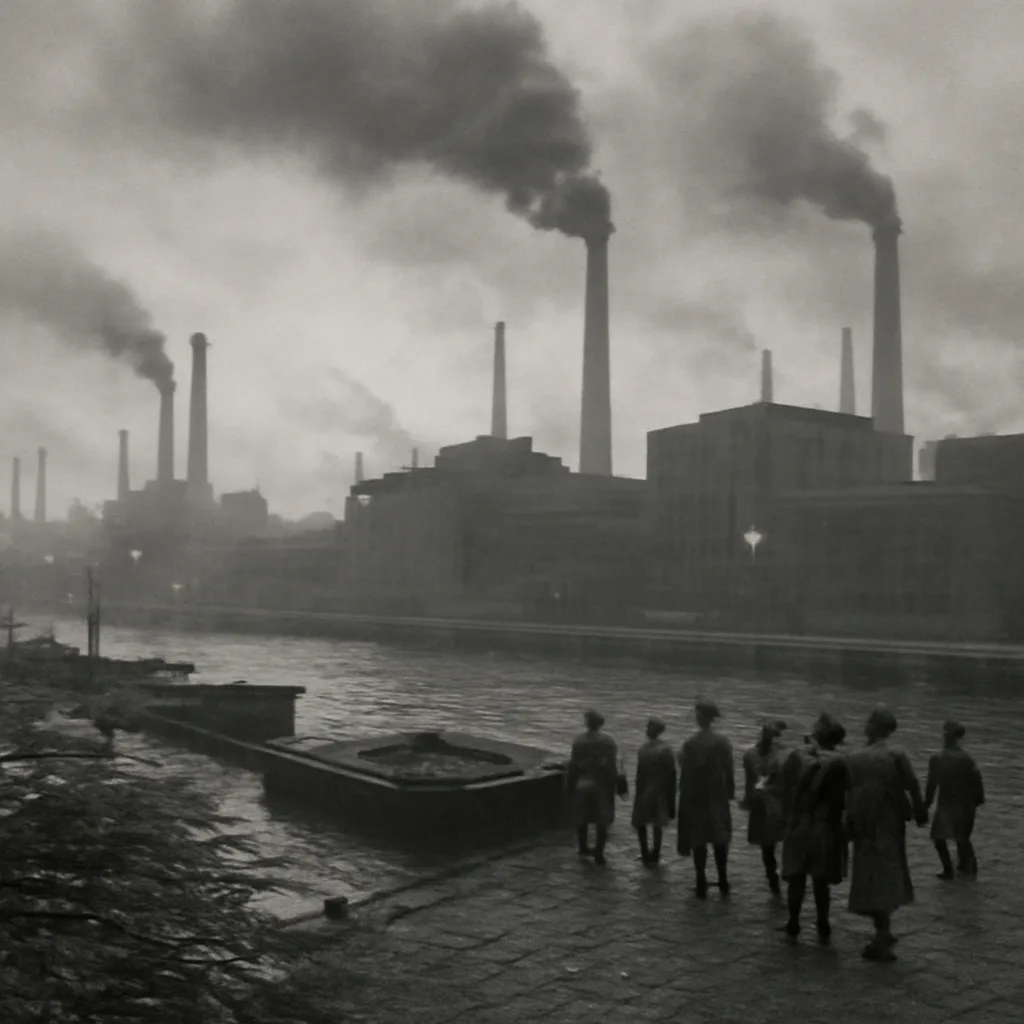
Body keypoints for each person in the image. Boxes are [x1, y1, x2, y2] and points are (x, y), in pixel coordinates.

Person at [844, 706, 928, 962]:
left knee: (871, 874)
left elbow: (847, 792)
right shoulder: (895, 755)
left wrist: (847, 823)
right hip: (889, 821)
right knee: (889, 871)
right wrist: (920, 809)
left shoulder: (855, 757)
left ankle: (882, 932)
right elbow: (911, 784)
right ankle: (884, 929)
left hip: (864, 822)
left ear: (872, 727)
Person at [778, 712, 849, 944]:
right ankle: (822, 921)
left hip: (799, 823)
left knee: (796, 877)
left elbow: (784, 787)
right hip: (824, 825)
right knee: (820, 879)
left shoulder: (797, 756)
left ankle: (793, 921)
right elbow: (842, 801)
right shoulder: (840, 762)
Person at [677, 699, 735, 898]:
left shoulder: (691, 743)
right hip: (716, 795)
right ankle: (723, 880)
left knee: (699, 839)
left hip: (696, 796)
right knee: (719, 838)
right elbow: (729, 770)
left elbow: (685, 774)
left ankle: (701, 880)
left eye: (698, 714)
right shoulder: (722, 742)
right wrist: (730, 792)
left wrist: (683, 796)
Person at [925, 720, 985, 880]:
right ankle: (969, 875)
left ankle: (949, 870)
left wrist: (924, 806)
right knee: (962, 840)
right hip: (965, 805)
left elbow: (931, 786)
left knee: (939, 839)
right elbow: (978, 783)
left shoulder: (937, 758)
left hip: (948, 804)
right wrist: (978, 801)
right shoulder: (967, 759)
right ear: (959, 738)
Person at [566, 709, 619, 866]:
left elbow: (573, 766)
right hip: (601, 784)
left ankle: (583, 846)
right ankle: (599, 852)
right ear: (601, 724)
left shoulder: (579, 741)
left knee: (582, 816)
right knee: (601, 819)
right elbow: (612, 767)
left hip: (583, 782)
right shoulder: (609, 742)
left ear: (587, 723)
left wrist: (570, 787)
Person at [741, 718, 788, 895]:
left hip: (764, 804)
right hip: (774, 805)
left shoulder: (751, 755)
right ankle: (775, 877)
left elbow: (749, 784)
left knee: (767, 847)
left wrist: (748, 800)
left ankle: (773, 876)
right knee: (772, 845)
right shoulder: (782, 755)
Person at [631, 717, 677, 866]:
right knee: (656, 823)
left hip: (648, 788)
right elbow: (672, 774)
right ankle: (654, 852)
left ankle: (647, 852)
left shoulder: (644, 749)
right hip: (658, 789)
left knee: (642, 822)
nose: (646, 730)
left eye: (649, 727)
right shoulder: (665, 749)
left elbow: (640, 773)